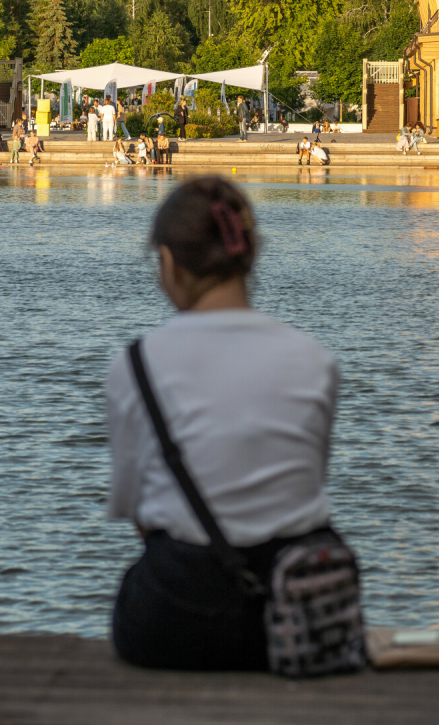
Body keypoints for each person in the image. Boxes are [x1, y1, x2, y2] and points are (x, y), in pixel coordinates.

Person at [106, 176, 344, 671]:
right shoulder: (314, 359)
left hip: (173, 616)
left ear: (168, 261)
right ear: (250, 254)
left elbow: (137, 511)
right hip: (294, 610)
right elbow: (306, 487)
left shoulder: (136, 363)